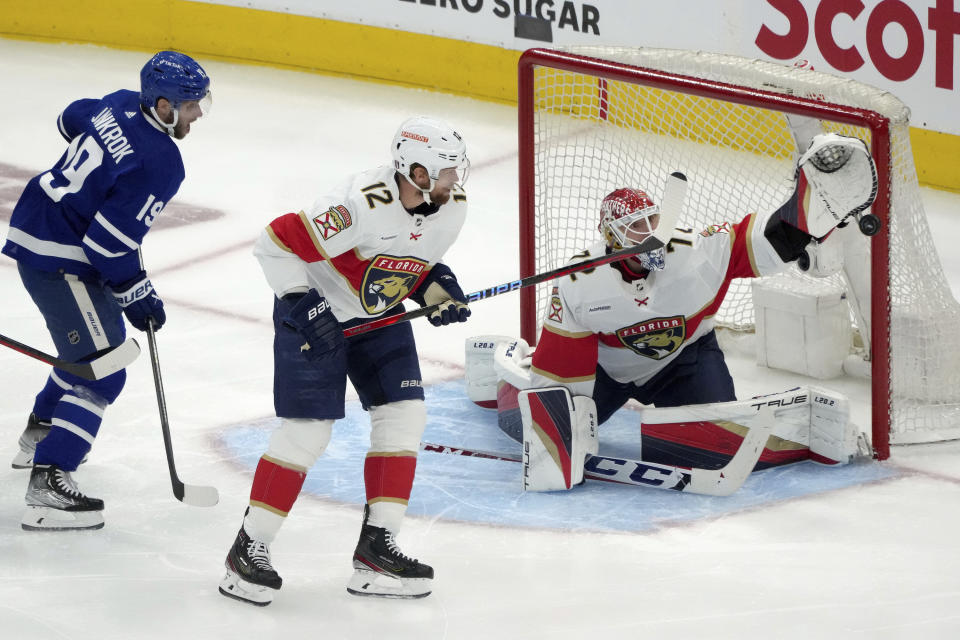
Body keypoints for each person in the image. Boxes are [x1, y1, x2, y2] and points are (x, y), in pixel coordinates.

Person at [467, 133, 877, 489]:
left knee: (716, 444)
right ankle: (503, 365)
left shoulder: (695, 251)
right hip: (606, 372)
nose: (649, 235)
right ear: (609, 237)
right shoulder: (579, 284)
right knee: (532, 429)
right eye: (634, 228)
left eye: (652, 221)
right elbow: (560, 375)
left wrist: (808, 218)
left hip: (687, 361)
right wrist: (561, 428)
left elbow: (767, 243)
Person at [218, 115, 471, 606]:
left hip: (377, 314)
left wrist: (436, 285)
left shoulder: (451, 207)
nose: (454, 181)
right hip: (314, 312)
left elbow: (409, 259)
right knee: (308, 431)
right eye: (445, 172)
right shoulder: (357, 204)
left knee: (405, 414)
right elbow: (273, 242)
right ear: (416, 171)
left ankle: (376, 550)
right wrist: (299, 302)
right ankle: (248, 550)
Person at [2, 51, 212, 530]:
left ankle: (41, 432)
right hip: (63, 259)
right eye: (191, 104)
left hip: (40, 228)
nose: (198, 114)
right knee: (104, 372)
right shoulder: (162, 163)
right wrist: (139, 296)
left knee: (87, 357)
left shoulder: (118, 102)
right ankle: (49, 479)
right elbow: (106, 247)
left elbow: (71, 116)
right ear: (162, 105)